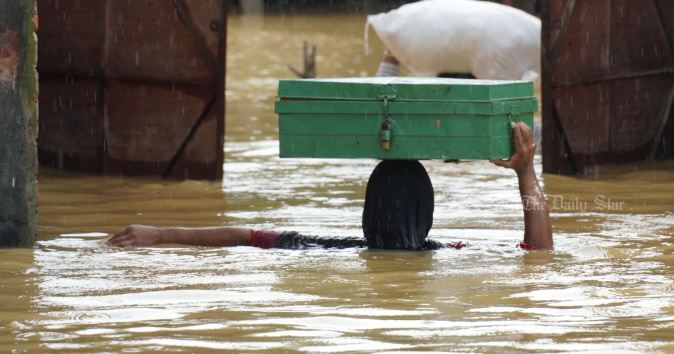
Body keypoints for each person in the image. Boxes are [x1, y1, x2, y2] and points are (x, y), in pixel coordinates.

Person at [108, 122, 552, 250]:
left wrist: (161, 234)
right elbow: (540, 253)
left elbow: (245, 235)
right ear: (428, 213)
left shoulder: (330, 247)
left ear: (367, 212)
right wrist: (525, 173)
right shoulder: (454, 253)